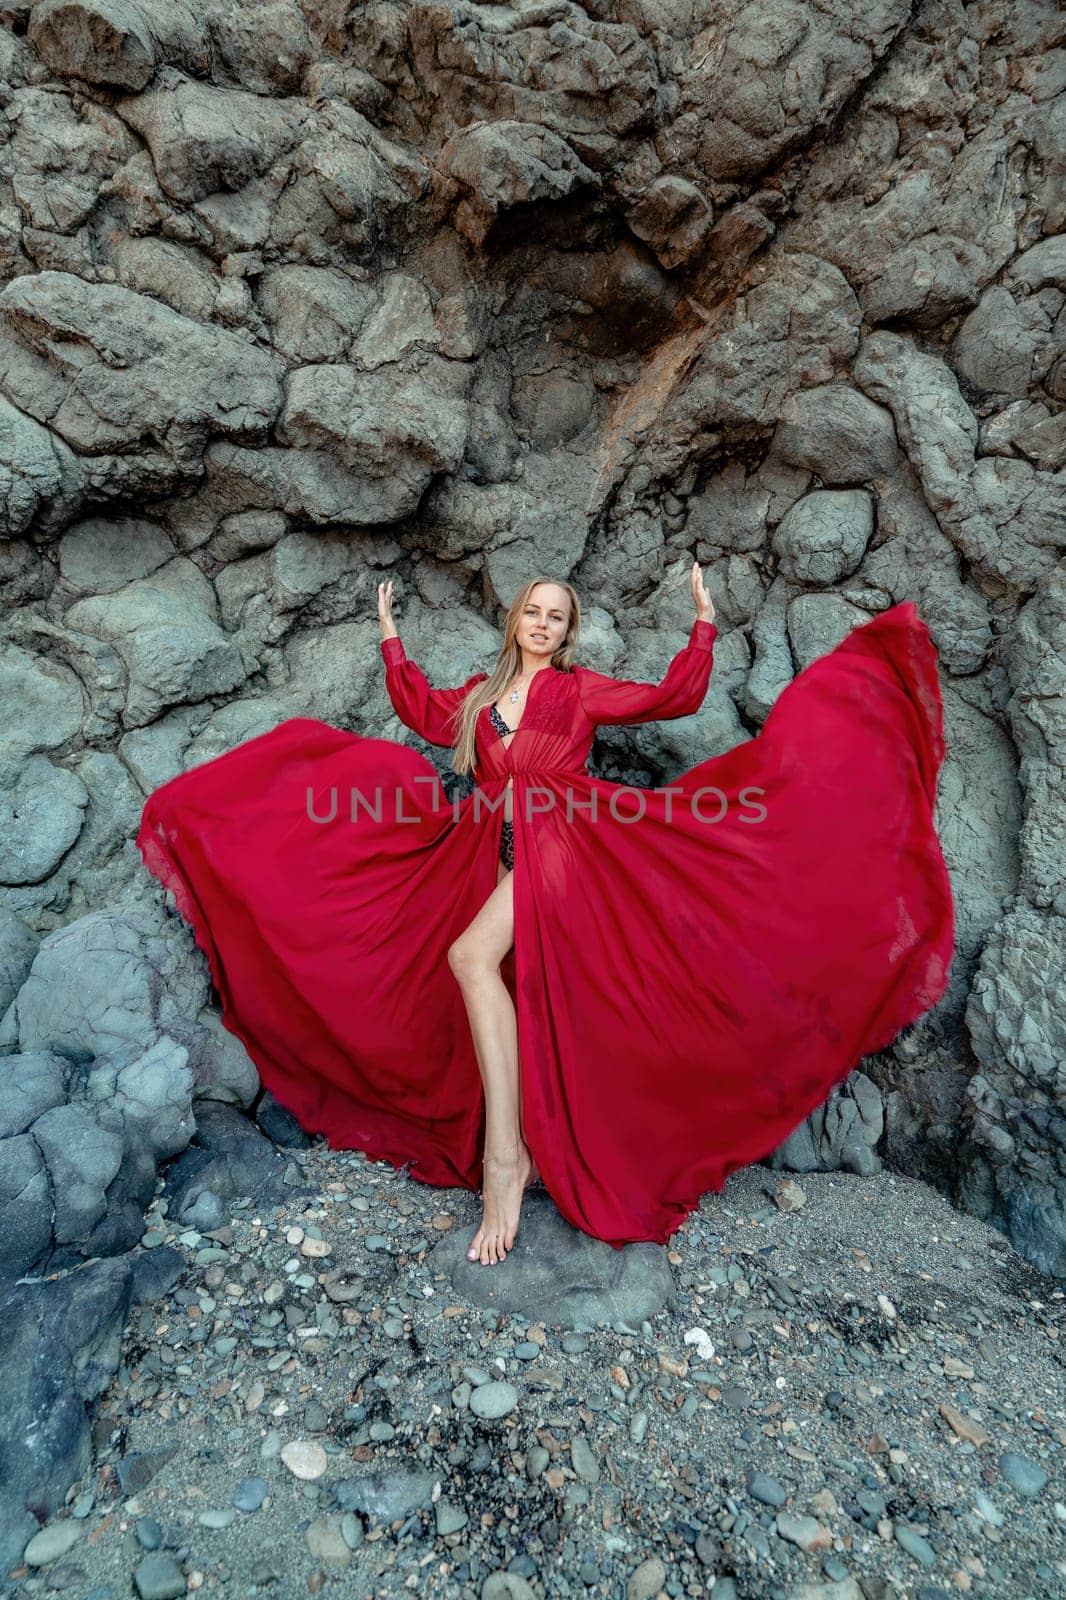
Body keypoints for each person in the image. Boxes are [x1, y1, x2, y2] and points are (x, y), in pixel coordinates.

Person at [137, 567, 955, 1269]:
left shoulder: (579, 689)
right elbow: (422, 712)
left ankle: (507, 1161)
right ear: (515, 619)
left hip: (562, 840)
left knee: (468, 960)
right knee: (471, 973)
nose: (543, 622)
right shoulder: (482, 698)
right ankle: (523, 1137)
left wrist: (703, 627)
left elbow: (674, 695)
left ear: (566, 633)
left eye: (557, 616)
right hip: (486, 846)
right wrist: (390, 639)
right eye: (533, 610)